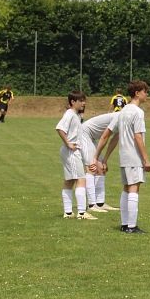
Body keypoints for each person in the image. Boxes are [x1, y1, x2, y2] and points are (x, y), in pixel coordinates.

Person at [95, 80, 150, 234]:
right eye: (145, 92)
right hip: (134, 156)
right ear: (137, 93)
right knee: (134, 188)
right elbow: (138, 136)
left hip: (124, 156)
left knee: (126, 188)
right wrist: (146, 159)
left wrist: (106, 158)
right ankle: (132, 226)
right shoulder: (137, 112)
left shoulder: (123, 111)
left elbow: (114, 136)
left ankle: (125, 224)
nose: (147, 95)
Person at [56, 90, 95, 220]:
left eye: (84, 101)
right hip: (71, 151)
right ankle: (82, 213)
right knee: (81, 179)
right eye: (81, 101)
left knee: (69, 180)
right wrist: (68, 144)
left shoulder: (76, 115)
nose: (83, 103)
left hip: (72, 151)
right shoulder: (70, 114)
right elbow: (60, 128)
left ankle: (68, 212)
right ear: (73, 102)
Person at [79, 112, 121, 213]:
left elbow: (114, 141)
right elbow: (104, 137)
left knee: (101, 169)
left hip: (92, 137)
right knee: (92, 168)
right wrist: (95, 158)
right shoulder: (118, 118)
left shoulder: (126, 121)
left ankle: (100, 204)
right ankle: (91, 205)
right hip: (84, 133)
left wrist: (105, 160)